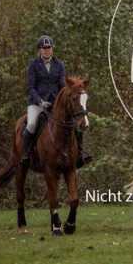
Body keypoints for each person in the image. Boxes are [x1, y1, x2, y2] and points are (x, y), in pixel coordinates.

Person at [21, 35, 90, 168]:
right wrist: (40, 101)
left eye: (49, 48)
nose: (47, 50)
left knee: (74, 122)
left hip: (54, 103)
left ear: (52, 49)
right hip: (37, 103)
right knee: (31, 124)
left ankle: (81, 153)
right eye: (44, 48)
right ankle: (26, 155)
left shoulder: (59, 65)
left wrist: (63, 100)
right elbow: (30, 87)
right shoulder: (33, 65)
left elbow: (62, 85)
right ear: (40, 50)